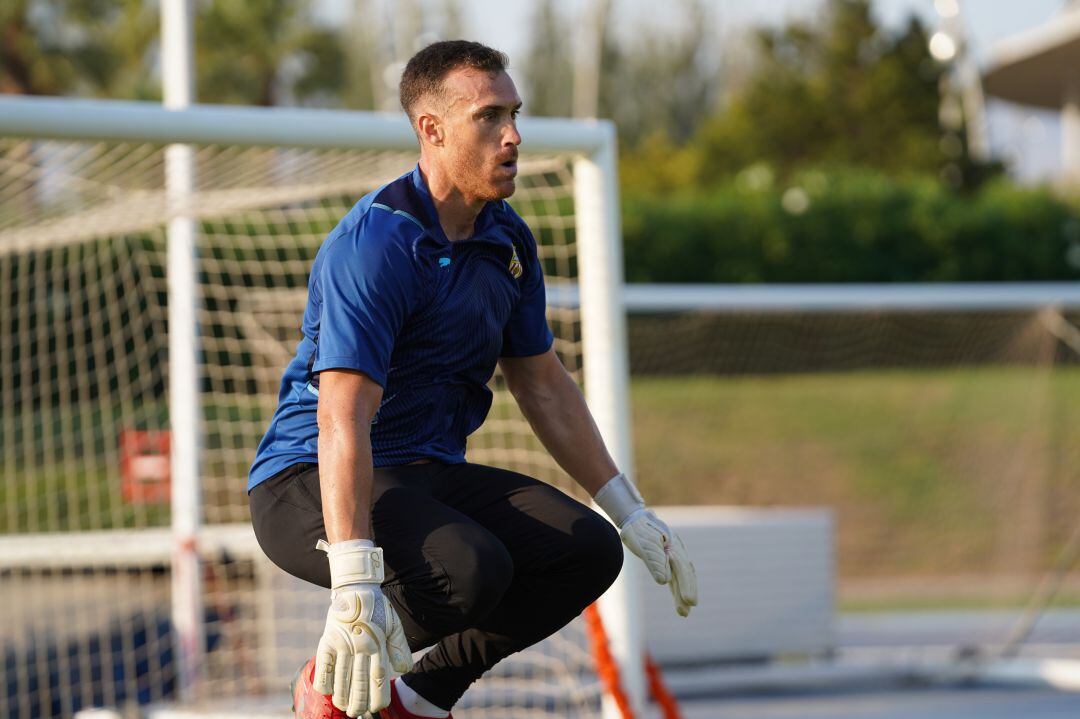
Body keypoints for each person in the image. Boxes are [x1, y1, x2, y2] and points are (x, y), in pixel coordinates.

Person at [248, 40, 698, 719]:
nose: (512, 135)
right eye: (489, 116)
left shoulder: (508, 240)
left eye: (514, 114)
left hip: (420, 470)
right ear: (431, 129)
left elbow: (542, 384)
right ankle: (331, 685)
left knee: (586, 550)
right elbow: (342, 416)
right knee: (470, 568)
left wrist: (629, 509)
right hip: (306, 479)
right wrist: (354, 582)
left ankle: (415, 703)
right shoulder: (376, 244)